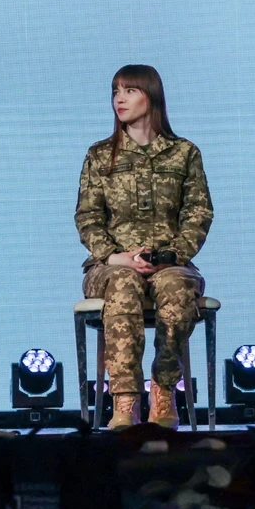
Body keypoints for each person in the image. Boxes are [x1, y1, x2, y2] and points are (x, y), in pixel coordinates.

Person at [75, 65, 213, 430]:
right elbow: (88, 217)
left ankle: (164, 390)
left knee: (177, 285)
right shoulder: (101, 155)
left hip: (169, 262)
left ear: (150, 95)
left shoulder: (183, 153)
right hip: (110, 264)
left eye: (129, 90)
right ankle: (125, 399)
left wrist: (173, 255)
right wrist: (114, 256)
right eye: (115, 91)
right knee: (123, 283)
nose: (119, 98)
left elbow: (198, 213)